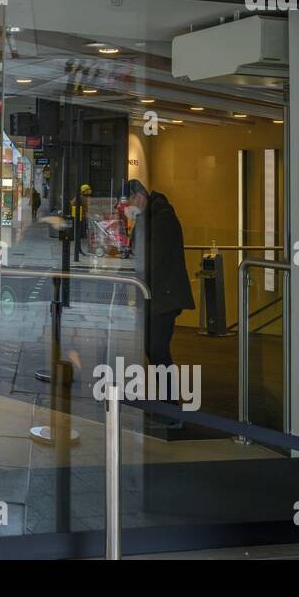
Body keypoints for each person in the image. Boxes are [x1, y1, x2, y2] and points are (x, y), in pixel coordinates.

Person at [126, 179, 194, 430]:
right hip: (155, 297)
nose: (128, 209)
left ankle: (172, 409)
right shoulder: (149, 215)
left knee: (158, 351)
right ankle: (166, 405)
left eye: (129, 203)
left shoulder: (162, 216)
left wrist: (133, 270)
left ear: (139, 196)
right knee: (154, 350)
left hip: (164, 297)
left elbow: (153, 258)